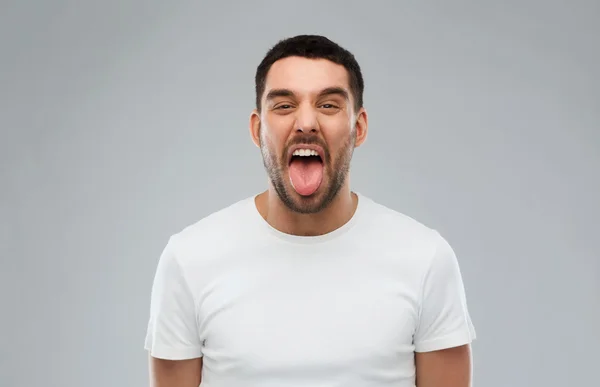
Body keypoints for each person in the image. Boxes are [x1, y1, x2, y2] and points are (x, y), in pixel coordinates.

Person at [144, 34, 476, 387]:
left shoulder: (425, 258)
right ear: (258, 129)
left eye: (329, 105)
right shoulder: (189, 259)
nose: (306, 122)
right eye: (284, 105)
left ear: (358, 127)